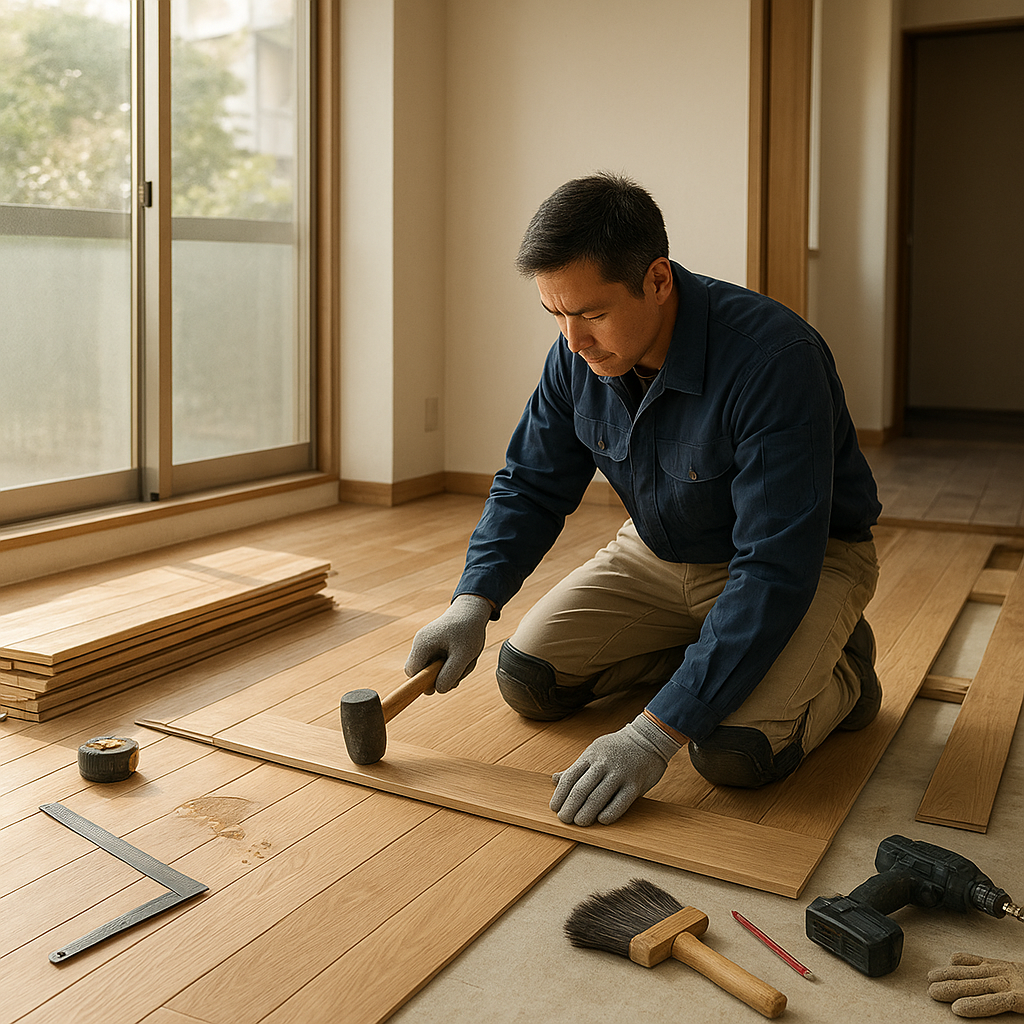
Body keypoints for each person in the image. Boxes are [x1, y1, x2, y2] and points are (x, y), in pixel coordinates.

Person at [405, 172, 882, 828]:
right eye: (556, 315)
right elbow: (531, 484)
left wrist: (654, 735)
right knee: (530, 679)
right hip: (660, 551)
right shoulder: (575, 357)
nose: (573, 341)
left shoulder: (775, 358)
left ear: (658, 280)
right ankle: (708, 657)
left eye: (591, 313)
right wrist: (472, 601)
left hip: (804, 562)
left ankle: (845, 669)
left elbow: (775, 566)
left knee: (732, 753)